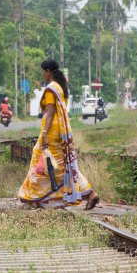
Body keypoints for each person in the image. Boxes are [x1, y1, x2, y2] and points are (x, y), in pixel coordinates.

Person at [18, 59, 100, 209]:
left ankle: (33, 198)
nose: (42, 74)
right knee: (60, 166)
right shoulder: (61, 87)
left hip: (51, 132)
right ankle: (88, 194)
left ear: (48, 72)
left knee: (40, 162)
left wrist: (43, 134)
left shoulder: (51, 89)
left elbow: (50, 113)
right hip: (61, 132)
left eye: (43, 71)